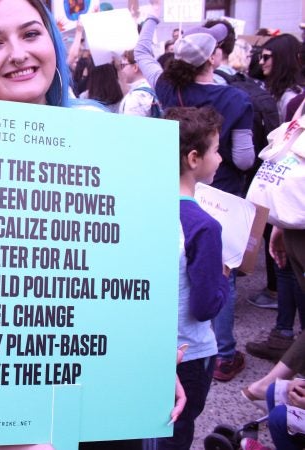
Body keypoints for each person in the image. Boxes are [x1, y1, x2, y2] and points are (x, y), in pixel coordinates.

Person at [0, 0, 184, 447]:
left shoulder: (104, 131)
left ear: (52, 40)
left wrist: (153, 358)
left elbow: (134, 272)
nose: (18, 53)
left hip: (108, 406)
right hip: (11, 423)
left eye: (30, 34)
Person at [135, 0, 254, 383]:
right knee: (220, 273)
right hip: (220, 195)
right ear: (213, 60)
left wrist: (152, 15)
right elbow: (244, 156)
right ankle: (224, 353)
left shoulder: (166, 87)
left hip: (173, 189)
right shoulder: (236, 99)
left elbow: (142, 52)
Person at [160, 105, 229, 450]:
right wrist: (223, 279)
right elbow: (205, 306)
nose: (220, 158)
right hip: (188, 353)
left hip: (148, 349)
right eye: (216, 150)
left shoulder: (144, 209)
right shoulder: (204, 226)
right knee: (178, 428)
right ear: (193, 158)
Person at [259, 34, 304, 123]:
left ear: (281, 59)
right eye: (260, 57)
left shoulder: (291, 97)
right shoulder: (274, 89)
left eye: (265, 57)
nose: (261, 62)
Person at [118, 49, 158, 117]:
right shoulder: (156, 86)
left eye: (123, 65)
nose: (122, 70)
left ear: (135, 67)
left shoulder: (135, 98)